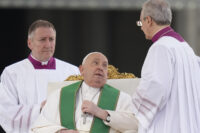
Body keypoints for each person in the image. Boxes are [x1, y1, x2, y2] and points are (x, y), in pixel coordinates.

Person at [0, 19, 80, 133]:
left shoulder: (72, 71)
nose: (48, 44)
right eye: (42, 39)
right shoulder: (12, 73)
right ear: (30, 43)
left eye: (51, 39)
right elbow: (5, 112)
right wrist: (39, 109)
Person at [132, 0, 200, 133]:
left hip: (169, 124)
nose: (141, 27)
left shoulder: (161, 48)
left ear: (149, 20)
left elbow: (155, 86)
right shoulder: (185, 47)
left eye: (140, 22)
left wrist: (133, 104)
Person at [31, 52, 138, 133]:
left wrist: (103, 114)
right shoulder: (59, 95)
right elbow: (38, 127)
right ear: (81, 70)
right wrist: (62, 131)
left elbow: (136, 125)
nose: (100, 68)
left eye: (104, 65)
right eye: (95, 63)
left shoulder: (122, 98)